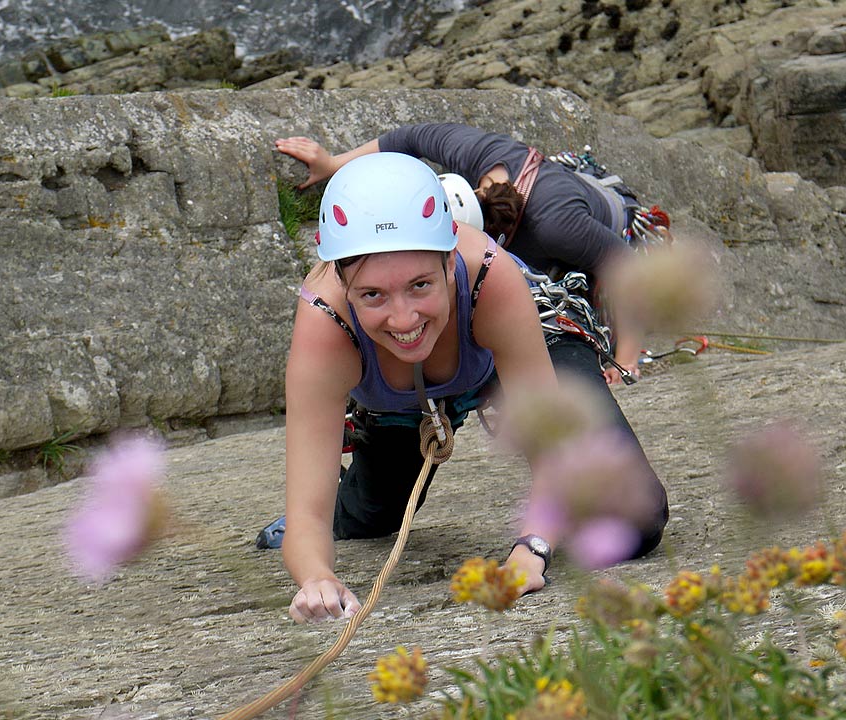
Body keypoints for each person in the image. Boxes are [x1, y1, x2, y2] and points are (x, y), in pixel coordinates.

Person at [268, 152, 661, 624]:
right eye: (372, 295)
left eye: (420, 285)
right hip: (396, 400)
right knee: (371, 519)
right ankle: (345, 498)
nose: (403, 318)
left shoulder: (489, 276)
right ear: (341, 281)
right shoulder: (325, 322)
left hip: (516, 347)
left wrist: (533, 546)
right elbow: (308, 514)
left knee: (634, 516)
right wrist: (315, 577)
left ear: (450, 258)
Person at [275, 123, 650, 385]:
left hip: (607, 220)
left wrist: (627, 357)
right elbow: (409, 138)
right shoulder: (479, 155)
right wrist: (332, 165)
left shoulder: (556, 227)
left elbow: (626, 269)